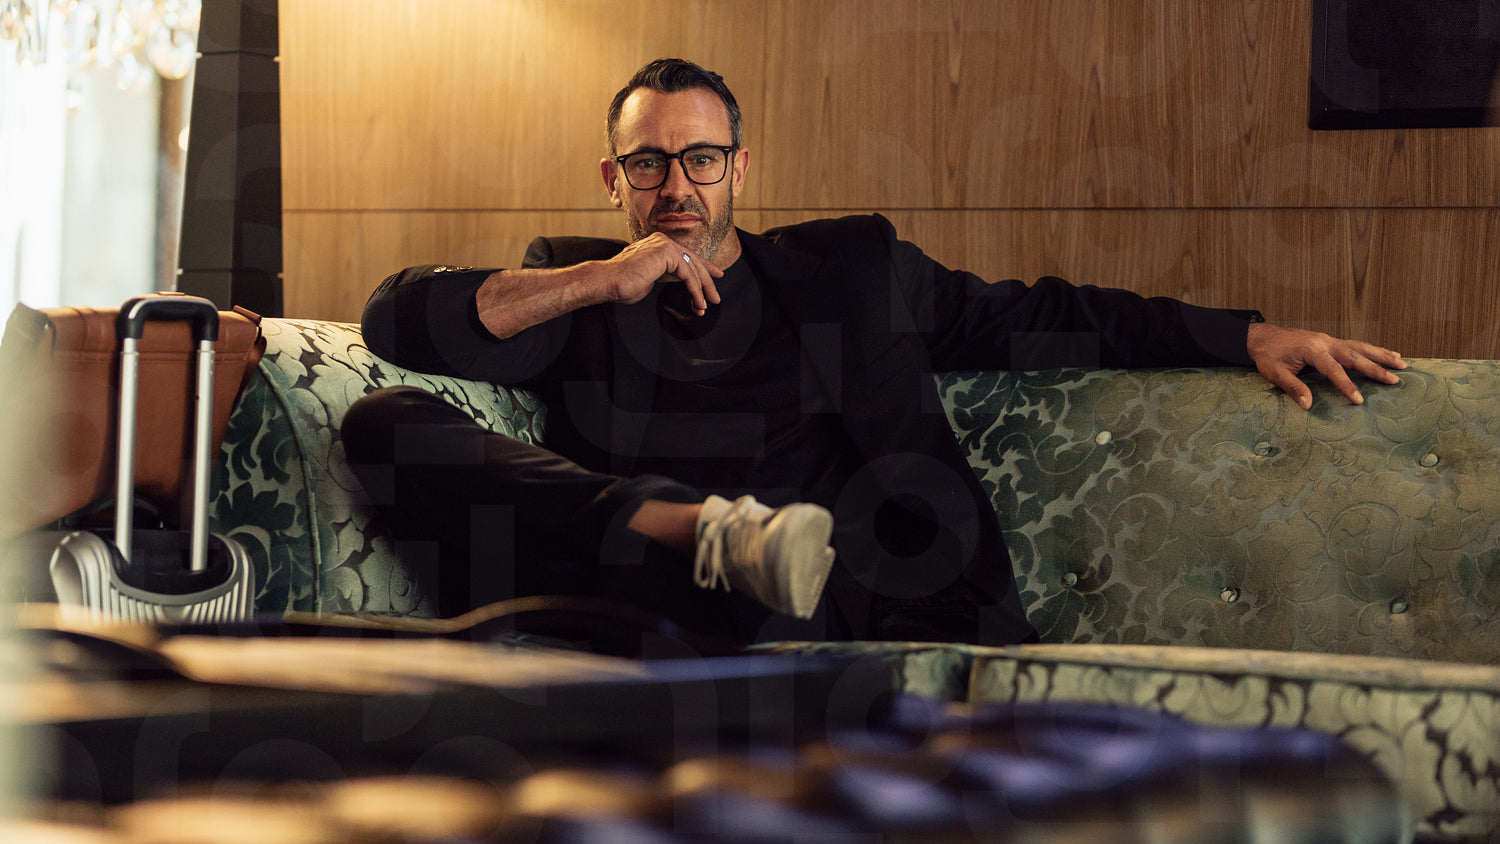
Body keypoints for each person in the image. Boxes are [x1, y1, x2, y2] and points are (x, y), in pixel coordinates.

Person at [344, 58, 1405, 646]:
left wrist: (1245, 333)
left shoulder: (849, 268)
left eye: (701, 158)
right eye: (649, 163)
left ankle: (724, 544)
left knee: (781, 589)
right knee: (383, 423)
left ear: (740, 168)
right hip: (661, 598)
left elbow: (1040, 314)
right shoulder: (573, 288)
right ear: (612, 180)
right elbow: (395, 320)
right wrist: (599, 280)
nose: (676, 186)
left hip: (849, 596)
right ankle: (693, 528)